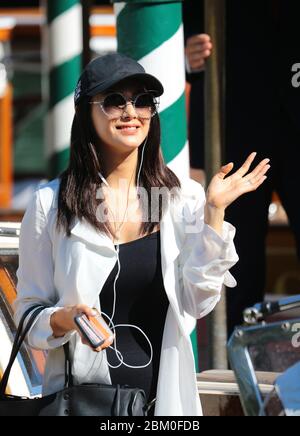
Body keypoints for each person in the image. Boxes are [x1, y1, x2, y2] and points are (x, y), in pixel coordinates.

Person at [14, 53, 270, 416]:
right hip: (85, 403)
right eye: (114, 100)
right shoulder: (50, 204)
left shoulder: (181, 198)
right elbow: (27, 314)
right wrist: (65, 318)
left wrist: (214, 213)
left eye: (143, 101)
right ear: (86, 112)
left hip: (165, 404)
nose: (131, 111)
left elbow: (198, 302)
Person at [184, 0, 300, 337]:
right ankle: (239, 351)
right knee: (240, 252)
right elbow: (177, 23)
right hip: (235, 122)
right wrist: (185, 52)